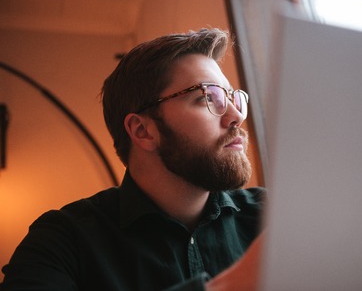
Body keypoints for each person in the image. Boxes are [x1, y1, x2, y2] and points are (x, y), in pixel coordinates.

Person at [0, 28, 266, 290]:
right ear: (143, 131)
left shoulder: (271, 217)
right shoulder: (63, 241)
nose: (236, 116)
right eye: (209, 97)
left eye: (232, 97)